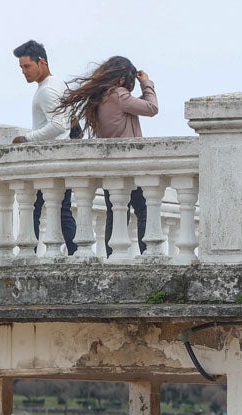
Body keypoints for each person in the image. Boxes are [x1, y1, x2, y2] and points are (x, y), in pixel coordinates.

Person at [57, 56, 158, 257]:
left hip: (111, 167)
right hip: (130, 164)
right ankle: (150, 255)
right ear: (122, 80)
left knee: (116, 213)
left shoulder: (100, 98)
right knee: (144, 210)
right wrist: (146, 83)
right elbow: (152, 108)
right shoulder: (119, 95)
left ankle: (114, 256)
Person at [11, 40, 77, 254]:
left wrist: (28, 139)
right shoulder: (59, 84)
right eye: (21, 68)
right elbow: (72, 122)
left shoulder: (46, 91)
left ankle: (29, 254)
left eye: (27, 66)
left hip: (47, 161)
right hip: (60, 158)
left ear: (42, 62)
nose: (24, 72)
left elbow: (58, 125)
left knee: (32, 208)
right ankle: (77, 252)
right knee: (61, 210)